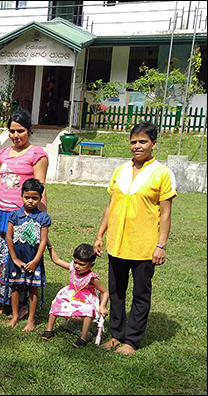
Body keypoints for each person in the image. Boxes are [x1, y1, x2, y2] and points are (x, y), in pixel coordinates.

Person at [93, 122, 176, 355]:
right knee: (116, 291)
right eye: (133, 142)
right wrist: (100, 234)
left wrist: (161, 245)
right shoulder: (120, 170)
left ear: (154, 144)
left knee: (140, 294)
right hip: (116, 243)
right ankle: (116, 335)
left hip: (144, 246)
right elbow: (111, 205)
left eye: (143, 142)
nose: (137, 146)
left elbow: (166, 212)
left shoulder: (162, 173)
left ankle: (132, 340)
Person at [0, 108, 49, 317]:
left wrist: (41, 219)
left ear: (29, 131)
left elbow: (41, 187)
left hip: (23, 216)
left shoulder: (37, 154)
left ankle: (22, 304)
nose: (16, 135)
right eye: (12, 131)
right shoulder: (2, 154)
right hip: (0, 213)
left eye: (20, 131)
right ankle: (3, 299)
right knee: (0, 256)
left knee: (20, 256)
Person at [42, 243, 109, 347]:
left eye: (81, 264)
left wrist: (103, 306)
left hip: (85, 299)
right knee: (56, 302)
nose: (77, 266)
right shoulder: (72, 268)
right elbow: (56, 260)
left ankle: (83, 338)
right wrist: (49, 245)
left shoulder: (92, 278)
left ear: (91, 265)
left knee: (88, 310)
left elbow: (105, 291)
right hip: (71, 294)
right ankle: (49, 330)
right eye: (75, 262)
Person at [6, 178, 51, 331]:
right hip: (16, 259)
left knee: (33, 287)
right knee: (16, 287)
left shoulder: (43, 218)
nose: (30, 201)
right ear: (21, 195)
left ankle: (31, 319)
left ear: (40, 198)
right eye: (27, 197)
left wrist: (36, 260)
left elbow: (43, 241)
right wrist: (14, 258)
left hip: (34, 258)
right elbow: (9, 237)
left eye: (34, 198)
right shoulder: (14, 215)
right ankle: (14, 316)